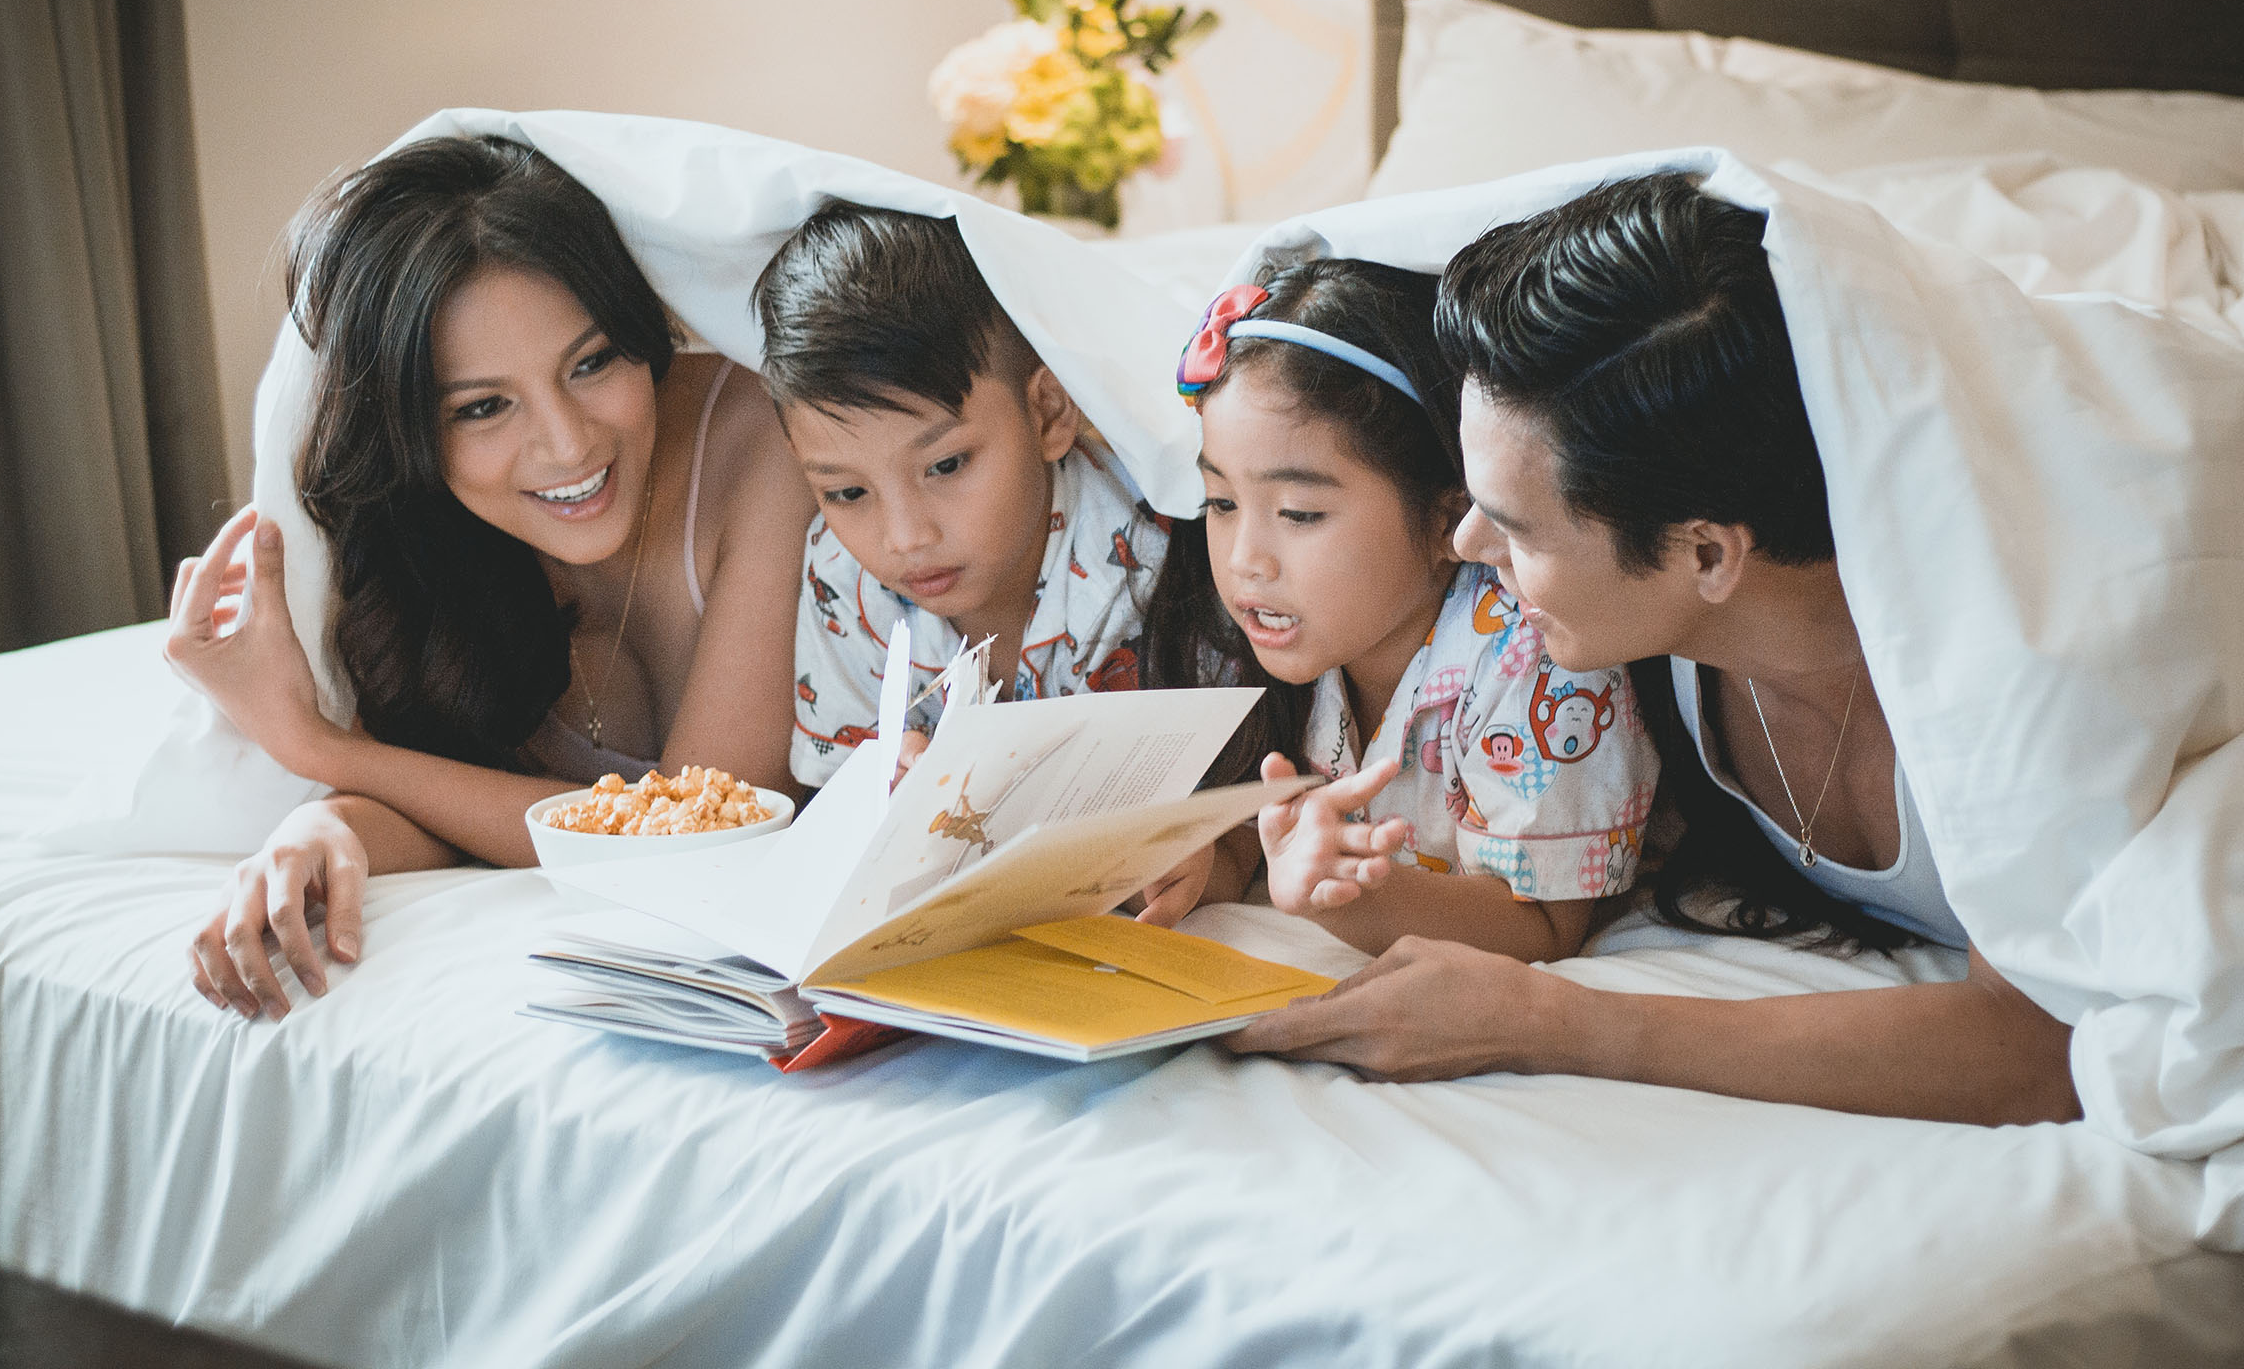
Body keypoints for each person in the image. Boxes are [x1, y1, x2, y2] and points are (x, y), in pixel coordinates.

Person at [1229, 173, 2084, 1128]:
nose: (1468, 548)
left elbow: (2041, 1045)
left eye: (1517, 528)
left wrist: (1555, 1023)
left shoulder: (2008, 666)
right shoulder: (1645, 636)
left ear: (1706, 552)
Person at [167, 136, 816, 1020]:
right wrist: (332, 823)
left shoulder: (763, 438)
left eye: (591, 362)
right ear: (408, 436)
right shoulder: (419, 537)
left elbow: (693, 840)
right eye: (481, 407)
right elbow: (440, 789)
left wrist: (321, 751)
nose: (569, 443)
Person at [1140, 260, 1658, 956]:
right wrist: (1210, 861)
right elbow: (1263, 828)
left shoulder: (1537, 655)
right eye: (1221, 504)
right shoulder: (1264, 627)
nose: (1243, 560)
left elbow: (1544, 924)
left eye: (1298, 512)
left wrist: (1354, 894)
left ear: (1448, 516)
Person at [752, 200, 1196, 915]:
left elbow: (1234, 812)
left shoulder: (1160, 554)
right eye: (846, 491)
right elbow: (832, 803)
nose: (903, 537)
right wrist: (879, 807)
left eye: (948, 465)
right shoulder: (842, 577)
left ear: (1050, 413)